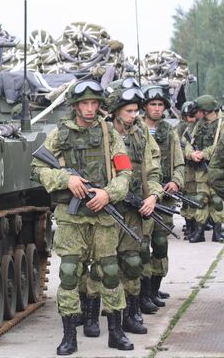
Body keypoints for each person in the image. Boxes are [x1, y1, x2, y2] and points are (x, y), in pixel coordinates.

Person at [31, 80, 134, 355]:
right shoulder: (59, 134)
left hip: (102, 215)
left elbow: (125, 172)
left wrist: (108, 194)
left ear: (100, 106)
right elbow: (38, 169)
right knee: (68, 274)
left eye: (94, 104)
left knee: (110, 272)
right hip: (71, 217)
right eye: (84, 104)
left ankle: (116, 332)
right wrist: (66, 178)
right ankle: (69, 337)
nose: (89, 109)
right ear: (75, 106)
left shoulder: (109, 133)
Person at [106, 85, 164, 334]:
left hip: (133, 210)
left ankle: (130, 314)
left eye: (136, 110)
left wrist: (153, 195)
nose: (134, 115)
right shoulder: (103, 133)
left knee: (132, 263)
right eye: (129, 110)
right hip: (105, 208)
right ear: (116, 111)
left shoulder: (141, 133)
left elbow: (152, 169)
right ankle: (98, 318)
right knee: (104, 267)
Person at [141, 86, 184, 307]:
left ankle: (154, 289)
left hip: (164, 199)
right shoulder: (136, 129)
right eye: (153, 105)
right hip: (141, 198)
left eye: (160, 105)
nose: (157, 109)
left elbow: (178, 161)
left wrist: (176, 181)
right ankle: (142, 293)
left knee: (159, 244)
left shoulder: (169, 132)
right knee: (139, 246)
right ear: (145, 107)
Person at [182, 95, 224, 242]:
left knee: (217, 200)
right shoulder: (197, 125)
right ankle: (199, 232)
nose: (195, 114)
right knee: (200, 200)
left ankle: (218, 231)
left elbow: (221, 146)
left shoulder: (221, 123)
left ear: (205, 111)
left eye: (198, 111)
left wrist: (205, 153)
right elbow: (185, 141)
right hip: (198, 169)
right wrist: (191, 153)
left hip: (217, 169)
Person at [177, 101, 202, 240]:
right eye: (187, 116)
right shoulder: (181, 129)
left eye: (192, 116)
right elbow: (179, 146)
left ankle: (198, 225)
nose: (190, 119)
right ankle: (190, 225)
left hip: (198, 166)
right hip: (186, 166)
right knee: (187, 197)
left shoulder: (198, 128)